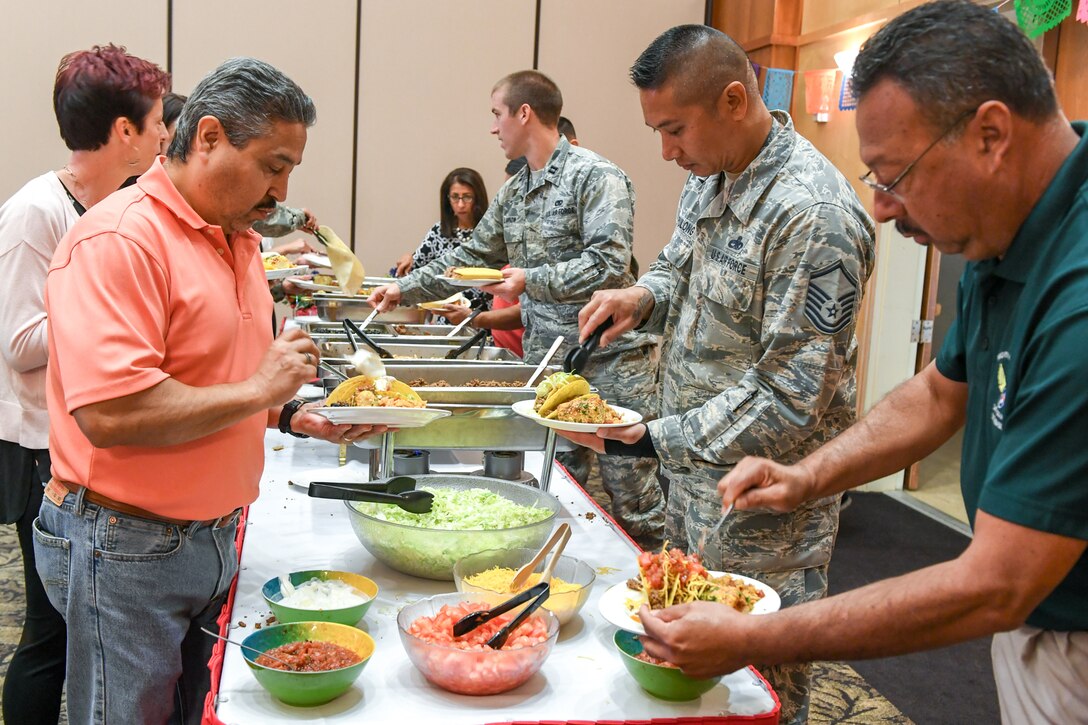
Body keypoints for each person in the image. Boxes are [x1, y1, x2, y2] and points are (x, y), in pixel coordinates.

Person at [637, 4, 1088, 724]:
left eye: (893, 174)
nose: (879, 208)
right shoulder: (1005, 229)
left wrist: (755, 636)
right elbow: (941, 393)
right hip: (1037, 624)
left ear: (992, 135)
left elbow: (994, 583)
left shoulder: (1078, 304)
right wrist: (806, 475)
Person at [36, 57, 382, 725]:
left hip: (209, 537)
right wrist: (260, 386)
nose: (282, 189)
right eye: (273, 164)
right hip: (128, 543)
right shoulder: (121, 239)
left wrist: (291, 412)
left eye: (290, 170)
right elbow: (111, 410)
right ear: (211, 137)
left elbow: (215, 375)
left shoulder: (235, 237)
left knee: (198, 708)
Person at [570, 25, 875, 723]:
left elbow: (790, 396)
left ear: (735, 99)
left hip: (767, 508)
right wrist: (640, 294)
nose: (667, 151)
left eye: (675, 129)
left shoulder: (811, 215)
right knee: (695, 679)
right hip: (692, 483)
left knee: (763, 691)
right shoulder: (713, 175)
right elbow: (681, 263)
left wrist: (649, 436)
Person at [370, 70, 665, 549]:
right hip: (548, 365)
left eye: (497, 114)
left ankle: (653, 601)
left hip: (607, 362)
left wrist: (534, 280)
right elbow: (468, 257)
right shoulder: (514, 191)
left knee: (632, 497)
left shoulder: (597, 176)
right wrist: (403, 289)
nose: (493, 128)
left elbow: (610, 266)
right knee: (560, 489)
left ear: (524, 113)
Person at [0, 44, 170, 725]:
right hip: (41, 443)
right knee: (48, 632)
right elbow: (18, 345)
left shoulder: (116, 204)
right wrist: (110, 318)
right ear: (123, 132)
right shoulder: (35, 213)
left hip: (85, 441)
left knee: (80, 627)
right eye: (157, 121)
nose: (166, 135)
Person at [393, 167, 492, 323]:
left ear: (478, 198)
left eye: (467, 197)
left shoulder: (491, 233)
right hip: (447, 320)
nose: (460, 204)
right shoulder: (439, 231)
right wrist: (408, 258)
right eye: (455, 197)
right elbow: (413, 271)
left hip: (485, 319)